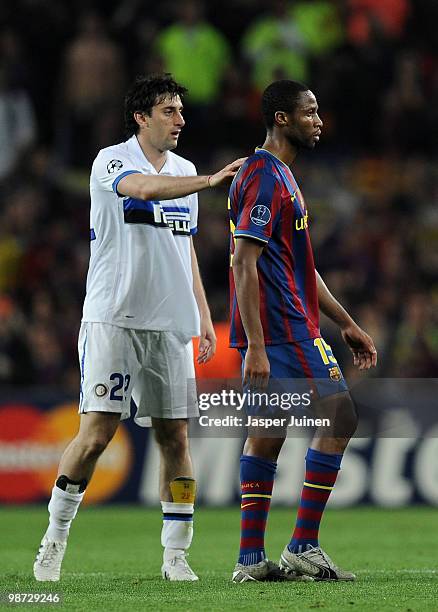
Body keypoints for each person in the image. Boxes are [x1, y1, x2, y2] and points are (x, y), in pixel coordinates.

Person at [33, 73, 245, 583]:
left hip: (169, 325)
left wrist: (200, 314)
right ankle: (54, 540)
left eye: (180, 111)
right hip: (114, 318)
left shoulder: (185, 168)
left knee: (175, 437)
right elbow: (143, 189)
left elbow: (185, 245)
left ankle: (176, 554)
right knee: (96, 434)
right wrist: (212, 181)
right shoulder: (112, 159)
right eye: (169, 110)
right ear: (142, 117)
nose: (180, 119)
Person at [228, 79, 377, 582]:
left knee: (267, 435)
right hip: (283, 328)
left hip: (287, 323)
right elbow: (243, 262)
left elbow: (298, 267)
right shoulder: (264, 177)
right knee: (342, 418)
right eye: (310, 111)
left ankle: (251, 561)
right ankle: (303, 545)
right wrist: (255, 346)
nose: (320, 119)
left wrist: (347, 323)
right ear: (282, 119)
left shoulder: (281, 177)